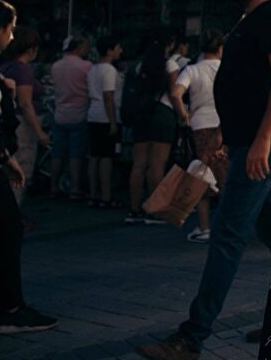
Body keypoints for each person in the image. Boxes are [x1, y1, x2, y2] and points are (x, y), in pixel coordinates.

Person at [137, 0, 271, 360]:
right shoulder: (251, 20)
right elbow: (245, 86)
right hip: (251, 144)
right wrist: (230, 134)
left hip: (263, 149)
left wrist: (261, 141)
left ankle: (191, 340)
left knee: (226, 237)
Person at [0, 0, 57, 333]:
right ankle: (10, 308)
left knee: (7, 225)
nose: (12, 34)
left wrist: (6, 158)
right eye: (11, 27)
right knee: (9, 225)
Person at [171, 29, 225, 242]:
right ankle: (225, 226)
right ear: (220, 49)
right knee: (226, 176)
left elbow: (176, 94)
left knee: (201, 176)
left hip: (200, 125)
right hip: (225, 126)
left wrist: (184, 115)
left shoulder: (192, 70)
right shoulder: (226, 69)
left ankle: (204, 227)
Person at [126, 29, 177, 225]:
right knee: (157, 164)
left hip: (141, 114)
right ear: (169, 44)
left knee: (139, 164)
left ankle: (134, 208)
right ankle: (154, 210)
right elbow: (174, 93)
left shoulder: (140, 65)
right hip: (161, 113)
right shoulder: (170, 64)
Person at [0, 27, 51, 204]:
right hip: (23, 126)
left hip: (8, 122)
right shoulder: (23, 70)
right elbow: (25, 103)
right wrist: (40, 132)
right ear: (32, 49)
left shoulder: (6, 66)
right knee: (21, 170)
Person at [49, 34, 92, 200]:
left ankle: (53, 187)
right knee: (75, 154)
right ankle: (75, 188)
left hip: (60, 113)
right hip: (79, 113)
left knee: (57, 153)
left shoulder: (56, 66)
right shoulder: (86, 66)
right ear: (79, 47)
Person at [86, 36, 123, 208]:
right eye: (117, 47)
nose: (120, 51)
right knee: (106, 156)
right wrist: (113, 122)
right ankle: (105, 196)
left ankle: (93, 194)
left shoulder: (93, 69)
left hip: (93, 114)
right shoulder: (109, 70)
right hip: (105, 116)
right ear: (109, 51)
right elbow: (108, 96)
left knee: (94, 156)